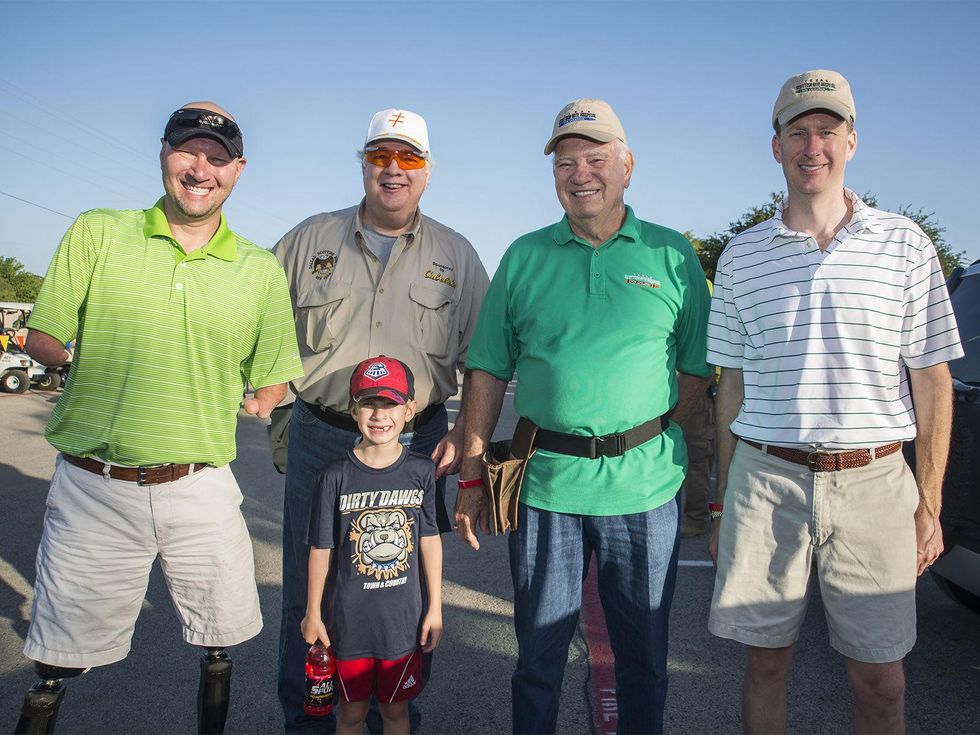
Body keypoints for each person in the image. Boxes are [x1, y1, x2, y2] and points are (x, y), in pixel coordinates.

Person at [15, 102, 303, 735]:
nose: (201, 168)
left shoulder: (258, 268)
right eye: (188, 151)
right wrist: (93, 362)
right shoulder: (98, 231)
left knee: (220, 644)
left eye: (219, 157)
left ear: (239, 169)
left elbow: (274, 374)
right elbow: (43, 336)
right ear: (165, 154)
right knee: (55, 660)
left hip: (199, 485)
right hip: (94, 485)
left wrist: (248, 399)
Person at [706, 70, 963, 734]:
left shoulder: (904, 244)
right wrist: (723, 493)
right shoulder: (740, 256)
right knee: (766, 664)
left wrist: (928, 501)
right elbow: (729, 386)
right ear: (776, 147)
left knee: (882, 678)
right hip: (766, 480)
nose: (811, 146)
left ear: (852, 140)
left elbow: (932, 380)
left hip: (876, 480)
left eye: (826, 131)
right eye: (798, 132)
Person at [454, 98, 714, 735]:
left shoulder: (673, 255)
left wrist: (636, 432)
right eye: (565, 162)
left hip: (644, 491)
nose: (580, 174)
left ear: (627, 166)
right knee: (538, 659)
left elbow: (696, 373)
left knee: (645, 660)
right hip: (545, 489)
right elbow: (486, 367)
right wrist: (470, 473)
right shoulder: (524, 256)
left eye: (596, 159)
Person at [273, 108, 488, 732]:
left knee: (400, 585)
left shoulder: (458, 254)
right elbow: (255, 322)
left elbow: (484, 359)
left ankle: (395, 716)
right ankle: (311, 723)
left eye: (409, 159)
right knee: (308, 592)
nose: (394, 170)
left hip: (413, 444)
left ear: (428, 170)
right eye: (381, 156)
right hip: (321, 440)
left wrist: (460, 434)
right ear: (363, 163)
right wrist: (279, 403)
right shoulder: (308, 240)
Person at [302, 355, 443, 735]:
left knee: (395, 714)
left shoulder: (422, 473)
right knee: (350, 716)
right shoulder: (334, 476)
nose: (380, 415)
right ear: (353, 411)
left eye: (390, 403)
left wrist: (435, 608)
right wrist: (313, 612)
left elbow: (429, 540)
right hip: (348, 624)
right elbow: (320, 548)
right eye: (369, 403)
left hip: (403, 623)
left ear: (409, 409)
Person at [678, 277, 718, 538]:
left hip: (698, 386)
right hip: (687, 382)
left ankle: (696, 518)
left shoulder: (700, 285)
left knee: (696, 459)